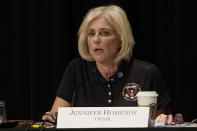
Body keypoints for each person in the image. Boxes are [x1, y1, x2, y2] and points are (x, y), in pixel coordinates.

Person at [42, 5, 171, 125]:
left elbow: (161, 122)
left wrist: (164, 120)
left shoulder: (146, 73)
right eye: (91, 33)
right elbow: (54, 120)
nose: (96, 40)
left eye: (104, 33)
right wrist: (50, 120)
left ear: (121, 39)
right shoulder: (76, 69)